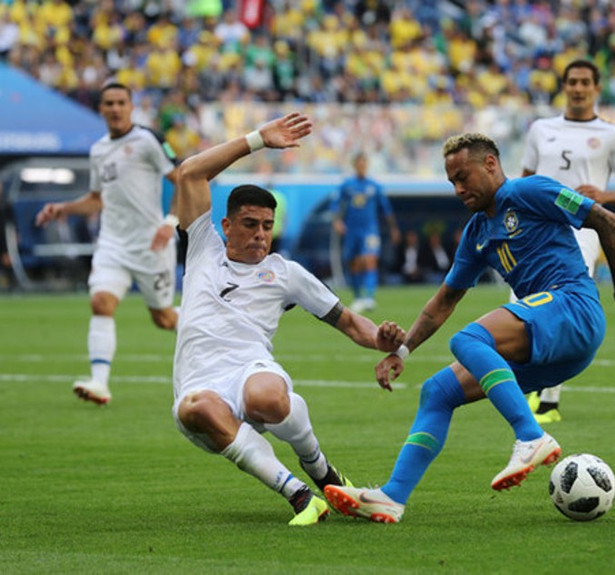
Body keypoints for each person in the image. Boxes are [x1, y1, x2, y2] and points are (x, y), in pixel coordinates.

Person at [323, 133, 615, 523]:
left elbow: (607, 219)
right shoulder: (475, 233)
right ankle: (391, 497)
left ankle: (531, 436)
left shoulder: (530, 190)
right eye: (451, 181)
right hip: (552, 345)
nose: (457, 189)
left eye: (463, 177)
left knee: (470, 339)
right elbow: (444, 301)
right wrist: (400, 352)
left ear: (490, 164)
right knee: (437, 391)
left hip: (573, 306)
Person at [172, 112, 406, 526]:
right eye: (249, 224)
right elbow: (189, 172)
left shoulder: (285, 272)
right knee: (195, 408)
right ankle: (300, 495)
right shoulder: (203, 248)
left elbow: (351, 323)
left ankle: (320, 471)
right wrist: (257, 139)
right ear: (225, 226)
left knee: (267, 396)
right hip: (201, 382)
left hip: (250, 368)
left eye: (267, 225)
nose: (261, 234)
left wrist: (386, 341)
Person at [35, 82, 180, 405]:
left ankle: (212, 328)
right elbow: (97, 199)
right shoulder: (98, 150)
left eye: (120, 102)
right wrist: (64, 208)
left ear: (131, 106)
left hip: (151, 246)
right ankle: (99, 383)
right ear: (100, 109)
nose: (115, 109)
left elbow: (184, 177)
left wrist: (170, 223)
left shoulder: (149, 140)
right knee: (101, 302)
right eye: (108, 103)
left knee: (164, 319)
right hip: (113, 243)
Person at [518, 58, 615, 424]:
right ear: (564, 86)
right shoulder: (541, 129)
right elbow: (522, 181)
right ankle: (529, 390)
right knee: (521, 304)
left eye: (585, 82)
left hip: (582, 229)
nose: (578, 88)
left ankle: (550, 402)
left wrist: (603, 196)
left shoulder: (610, 134)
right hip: (538, 227)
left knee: (563, 302)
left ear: (596, 88)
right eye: (572, 81)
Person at [330, 152, 401, 313]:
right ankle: (358, 298)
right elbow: (335, 204)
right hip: (352, 231)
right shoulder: (347, 185)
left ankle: (369, 298)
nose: (362, 167)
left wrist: (394, 229)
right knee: (354, 264)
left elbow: (386, 209)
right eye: (360, 164)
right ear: (355, 165)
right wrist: (337, 221)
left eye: (364, 164)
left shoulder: (374, 186)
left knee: (369, 260)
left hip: (370, 230)